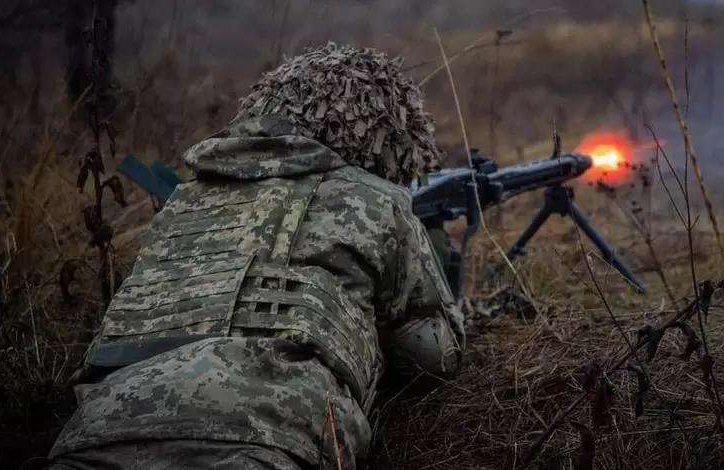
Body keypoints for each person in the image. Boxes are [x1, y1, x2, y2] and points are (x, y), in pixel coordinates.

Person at [47, 42, 466, 470]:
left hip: (95, 435)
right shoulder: (373, 198)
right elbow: (431, 357)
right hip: (263, 437)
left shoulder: (181, 202)